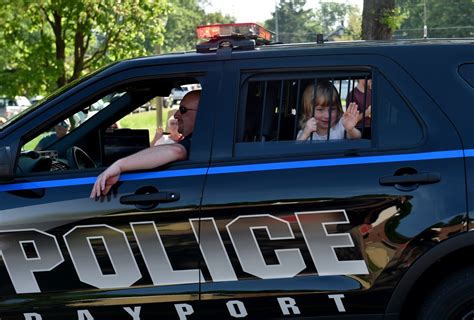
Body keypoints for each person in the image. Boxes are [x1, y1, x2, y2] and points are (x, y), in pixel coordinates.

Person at [90, 90, 201, 198]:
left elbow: (176, 151)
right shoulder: (203, 140)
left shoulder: (197, 141)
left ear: (202, 113)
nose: (176, 115)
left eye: (182, 109)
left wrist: (119, 166)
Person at [296, 81, 361, 141]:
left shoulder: (340, 126)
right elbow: (296, 149)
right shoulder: (306, 131)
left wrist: (350, 130)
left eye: (332, 109)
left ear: (337, 109)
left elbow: (357, 137)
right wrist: (305, 134)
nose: (327, 116)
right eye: (320, 110)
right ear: (308, 111)